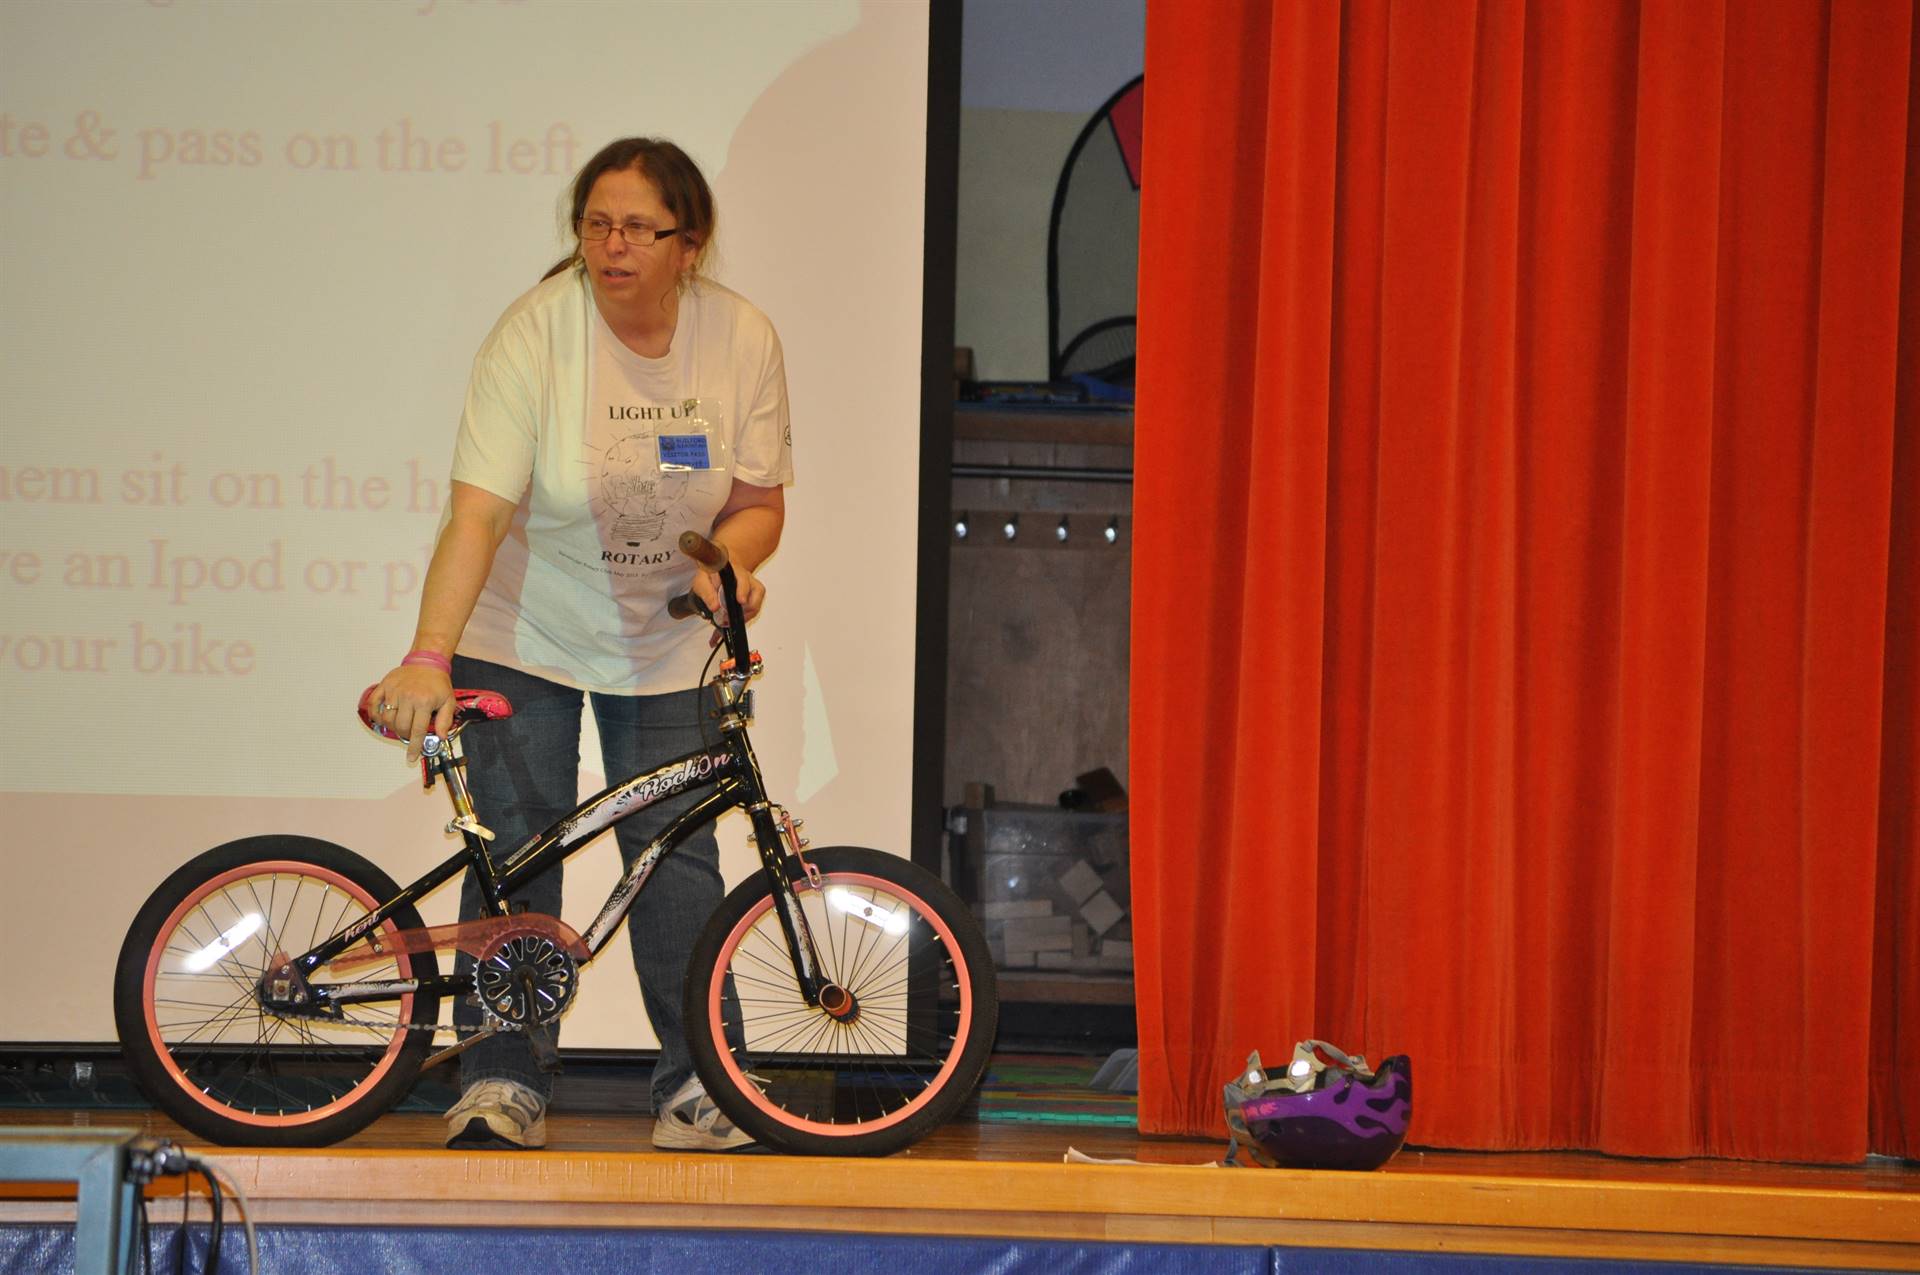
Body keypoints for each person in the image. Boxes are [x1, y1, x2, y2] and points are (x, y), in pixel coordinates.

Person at [368, 136, 793, 1152]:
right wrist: (428, 654)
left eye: (639, 227)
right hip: (525, 632)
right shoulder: (534, 337)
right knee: (517, 856)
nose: (613, 246)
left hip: (664, 641)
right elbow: (475, 516)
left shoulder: (738, 340)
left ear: (688, 244)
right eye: (596, 224)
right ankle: (503, 1079)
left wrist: (723, 564)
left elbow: (759, 503)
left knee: (680, 858)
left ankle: (699, 1085)